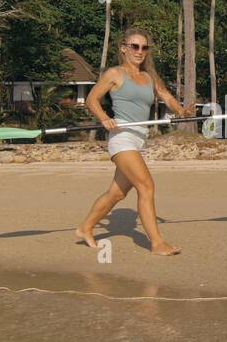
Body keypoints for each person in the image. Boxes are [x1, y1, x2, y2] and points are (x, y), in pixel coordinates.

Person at [75, 29, 192, 256]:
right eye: (135, 46)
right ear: (124, 48)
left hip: (139, 138)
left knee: (117, 194)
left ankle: (85, 227)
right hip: (121, 137)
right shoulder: (115, 74)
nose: (140, 51)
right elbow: (91, 100)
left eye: (144, 47)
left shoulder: (149, 77)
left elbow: (166, 97)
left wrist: (181, 111)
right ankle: (157, 243)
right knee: (146, 186)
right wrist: (104, 119)